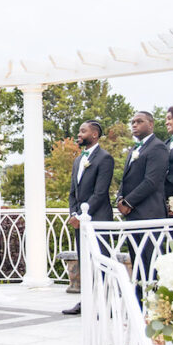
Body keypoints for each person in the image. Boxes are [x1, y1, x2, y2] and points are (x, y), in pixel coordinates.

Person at [62, 121, 115, 316]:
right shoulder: (78, 160)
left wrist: (84, 215)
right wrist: (74, 214)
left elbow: (100, 193)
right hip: (80, 221)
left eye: (83, 131)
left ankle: (104, 305)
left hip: (98, 219)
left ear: (94, 134)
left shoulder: (105, 159)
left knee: (100, 262)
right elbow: (72, 193)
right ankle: (86, 302)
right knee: (85, 262)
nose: (79, 134)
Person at [116, 111, 168, 304]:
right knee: (136, 260)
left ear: (151, 125)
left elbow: (152, 181)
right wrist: (120, 200)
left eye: (139, 121)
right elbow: (126, 180)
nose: (134, 125)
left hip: (150, 214)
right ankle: (139, 303)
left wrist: (129, 203)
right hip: (133, 216)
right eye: (132, 122)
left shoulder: (158, 148)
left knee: (151, 261)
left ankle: (155, 303)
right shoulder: (133, 150)